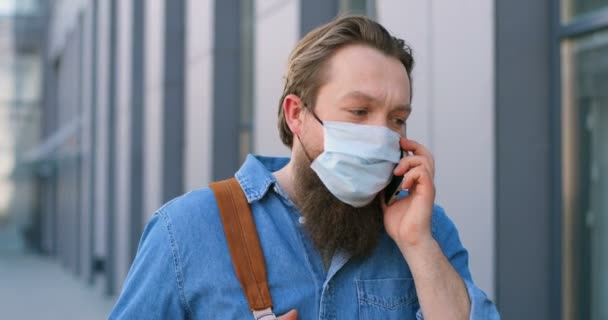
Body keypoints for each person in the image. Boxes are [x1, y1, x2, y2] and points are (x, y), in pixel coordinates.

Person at [110, 15, 500, 319]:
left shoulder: (427, 229)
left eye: (397, 119)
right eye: (359, 112)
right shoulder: (185, 229)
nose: (381, 135)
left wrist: (417, 243)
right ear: (297, 114)